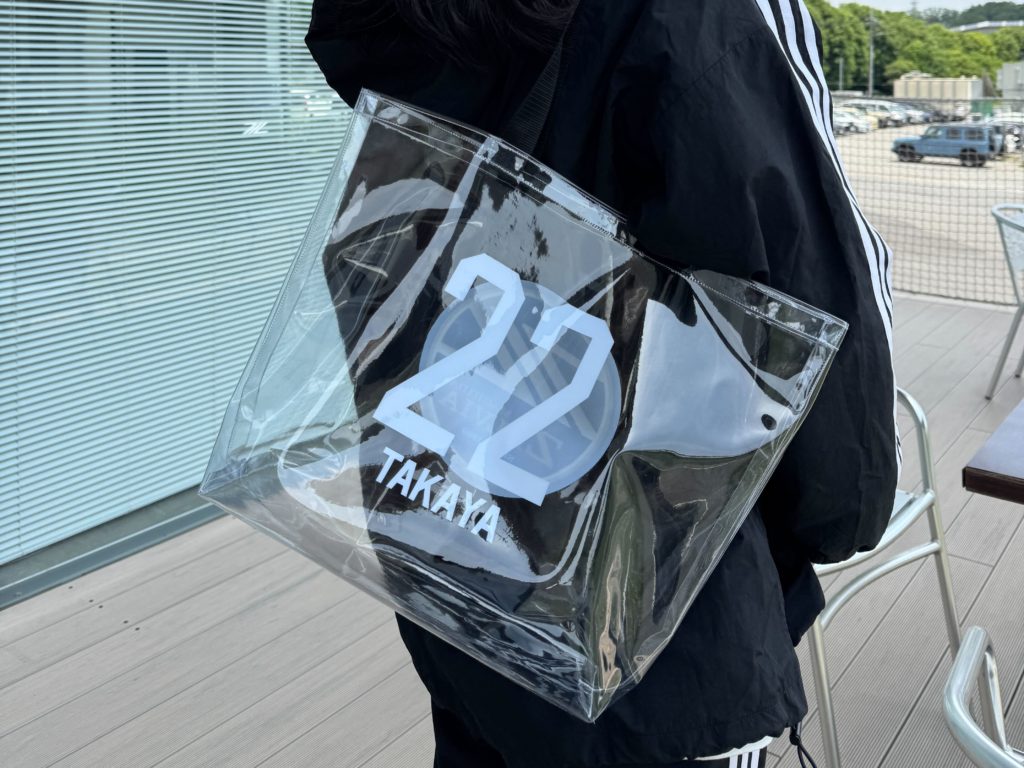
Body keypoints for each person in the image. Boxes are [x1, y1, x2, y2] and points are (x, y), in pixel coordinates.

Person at [304, 0, 900, 765]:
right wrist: (837, 519)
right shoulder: (694, 17)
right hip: (661, 618)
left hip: (455, 549)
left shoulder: (388, 19)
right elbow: (806, 308)